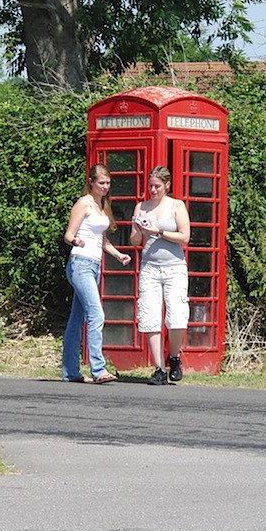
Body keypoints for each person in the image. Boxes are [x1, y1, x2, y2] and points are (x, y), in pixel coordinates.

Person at [62, 163, 131, 384]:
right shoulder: (83, 204)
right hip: (80, 263)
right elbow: (68, 234)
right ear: (90, 182)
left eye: (108, 183)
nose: (105, 187)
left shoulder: (103, 206)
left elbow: (102, 240)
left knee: (76, 320)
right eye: (101, 183)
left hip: (94, 265)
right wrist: (76, 240)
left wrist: (118, 255)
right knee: (97, 314)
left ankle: (70, 372)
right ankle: (98, 369)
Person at [130, 166, 191, 385]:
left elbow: (185, 236)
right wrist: (137, 227)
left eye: (157, 186)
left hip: (174, 267)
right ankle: (159, 368)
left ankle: (173, 357)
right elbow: (135, 242)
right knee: (149, 316)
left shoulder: (176, 206)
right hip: (150, 268)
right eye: (150, 186)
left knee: (177, 316)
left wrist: (159, 232)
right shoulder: (141, 207)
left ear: (167, 185)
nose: (153, 190)